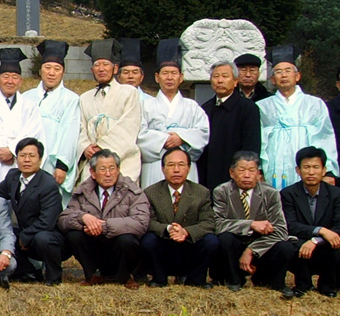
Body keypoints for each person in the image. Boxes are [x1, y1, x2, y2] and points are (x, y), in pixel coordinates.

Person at [58, 149, 149, 287]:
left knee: (127, 240)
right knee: (74, 236)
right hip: (95, 245)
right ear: (93, 173)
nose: (108, 174)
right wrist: (83, 217)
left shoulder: (132, 191)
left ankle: (125, 277)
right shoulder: (83, 190)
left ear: (118, 170)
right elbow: (63, 219)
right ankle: (92, 275)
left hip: (119, 244)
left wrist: (104, 226)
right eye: (103, 169)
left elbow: (141, 222)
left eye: (112, 168)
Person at [212, 150, 296, 296]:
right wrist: (250, 224)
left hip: (262, 245)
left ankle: (275, 283)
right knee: (225, 238)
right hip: (236, 243)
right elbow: (217, 224)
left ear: (258, 174)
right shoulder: (222, 191)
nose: (247, 175)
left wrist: (251, 250)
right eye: (241, 170)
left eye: (252, 170)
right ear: (232, 173)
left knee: (285, 247)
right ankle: (234, 281)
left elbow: (281, 230)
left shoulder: (271, 193)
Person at [257, 45, 339, 190]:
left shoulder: (314, 104)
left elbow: (325, 137)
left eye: (288, 71)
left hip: (306, 166)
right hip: (273, 167)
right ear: (273, 79)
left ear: (297, 76)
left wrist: (328, 170)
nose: (283, 75)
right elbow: (258, 141)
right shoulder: (262, 106)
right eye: (278, 72)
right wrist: (258, 169)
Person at [140, 147, 218, 288]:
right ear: (163, 169)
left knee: (211, 241)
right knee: (148, 240)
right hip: (165, 242)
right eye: (171, 165)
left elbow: (208, 222)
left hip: (189, 244)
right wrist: (169, 228)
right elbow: (148, 221)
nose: (176, 170)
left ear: (188, 168)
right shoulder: (151, 192)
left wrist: (186, 232)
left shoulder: (201, 192)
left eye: (181, 165)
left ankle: (196, 280)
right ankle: (159, 279)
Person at [0, 136, 65, 285]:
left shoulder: (48, 184)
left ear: (40, 159)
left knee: (43, 238)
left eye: (32, 156)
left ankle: (53, 277)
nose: (26, 160)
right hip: (24, 231)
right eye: (22, 155)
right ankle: (28, 272)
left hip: (49, 235)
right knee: (0, 233)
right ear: (16, 158)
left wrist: (25, 236)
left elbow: (47, 222)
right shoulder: (13, 176)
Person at [137, 39, 209, 187]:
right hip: (155, 166)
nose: (169, 78)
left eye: (173, 73)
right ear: (157, 77)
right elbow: (139, 135)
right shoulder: (145, 105)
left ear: (181, 77)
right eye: (165, 73)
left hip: (183, 164)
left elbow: (202, 132)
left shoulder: (192, 106)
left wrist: (181, 138)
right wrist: (165, 140)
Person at [0, 47, 45, 191]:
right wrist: (0, 152)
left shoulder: (30, 106)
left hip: (19, 163)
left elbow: (33, 133)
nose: (10, 81)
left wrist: (11, 150)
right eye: (6, 76)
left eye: (14, 77)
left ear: (21, 81)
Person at [281, 145, 340, 297]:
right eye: (306, 167)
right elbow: (290, 225)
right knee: (289, 246)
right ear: (298, 170)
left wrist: (316, 240)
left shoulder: (336, 194)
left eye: (316, 167)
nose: (311, 172)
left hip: (325, 243)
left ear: (324, 170)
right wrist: (320, 231)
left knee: (339, 247)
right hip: (300, 241)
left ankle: (328, 286)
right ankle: (302, 285)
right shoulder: (288, 193)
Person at [19, 40, 80, 205]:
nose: (51, 73)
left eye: (57, 69)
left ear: (63, 72)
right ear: (40, 70)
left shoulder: (71, 99)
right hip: (27, 162)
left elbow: (70, 133)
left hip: (52, 165)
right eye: (47, 68)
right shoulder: (26, 97)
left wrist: (62, 165)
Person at [76, 39, 142, 183]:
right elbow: (80, 128)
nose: (101, 69)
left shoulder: (129, 93)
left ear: (115, 68)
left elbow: (128, 126)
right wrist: (85, 147)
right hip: (92, 162)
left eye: (105, 64)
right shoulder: (84, 98)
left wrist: (102, 149)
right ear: (92, 70)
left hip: (124, 162)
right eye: (97, 65)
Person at [200, 60, 262, 192]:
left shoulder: (248, 108)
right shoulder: (205, 109)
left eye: (225, 76)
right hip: (209, 174)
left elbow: (251, 145)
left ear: (235, 81)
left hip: (237, 176)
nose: (220, 80)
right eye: (216, 76)